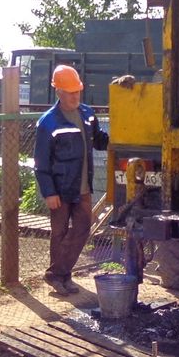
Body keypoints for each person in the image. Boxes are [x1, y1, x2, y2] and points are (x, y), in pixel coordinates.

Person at [34, 65, 109, 295]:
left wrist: (121, 138)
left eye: (77, 92)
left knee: (83, 228)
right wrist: (49, 192)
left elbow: (99, 140)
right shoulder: (48, 123)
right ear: (59, 92)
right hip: (60, 188)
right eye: (70, 92)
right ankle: (62, 277)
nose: (75, 96)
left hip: (82, 186)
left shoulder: (87, 115)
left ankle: (56, 274)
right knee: (59, 233)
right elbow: (41, 163)